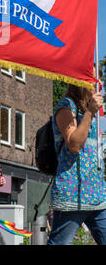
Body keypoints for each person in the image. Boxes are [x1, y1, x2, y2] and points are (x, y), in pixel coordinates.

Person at [47, 82, 106, 245]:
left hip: (97, 195)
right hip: (72, 195)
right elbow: (74, 145)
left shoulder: (93, 113)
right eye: (91, 80)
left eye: (98, 80)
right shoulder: (66, 106)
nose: (96, 84)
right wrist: (89, 112)